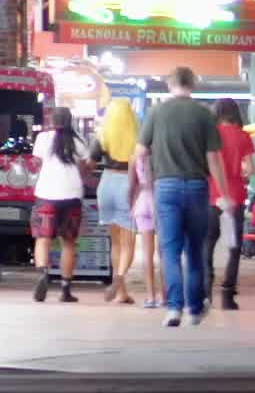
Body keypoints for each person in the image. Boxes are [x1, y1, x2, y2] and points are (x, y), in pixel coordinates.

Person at [136, 67, 235, 326]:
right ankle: (194, 309)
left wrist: (146, 181)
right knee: (194, 251)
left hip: (165, 187)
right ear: (193, 84)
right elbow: (213, 158)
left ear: (169, 85)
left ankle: (173, 309)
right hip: (196, 187)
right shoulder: (204, 114)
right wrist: (224, 194)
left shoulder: (156, 112)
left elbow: (140, 152)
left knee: (169, 251)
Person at [30, 108, 89, 304]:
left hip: (47, 194)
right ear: (70, 121)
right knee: (68, 243)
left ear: (51, 120)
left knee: (43, 238)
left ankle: (43, 273)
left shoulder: (43, 138)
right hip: (72, 195)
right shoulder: (79, 141)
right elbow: (84, 168)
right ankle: (65, 289)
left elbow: (36, 163)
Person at [203, 99, 254, 311]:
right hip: (235, 197)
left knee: (208, 243)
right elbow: (250, 169)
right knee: (233, 246)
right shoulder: (243, 136)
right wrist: (238, 172)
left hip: (211, 195)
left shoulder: (210, 133)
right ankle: (227, 295)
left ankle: (205, 291)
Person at [92, 98, 140, 305]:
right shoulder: (138, 136)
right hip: (127, 184)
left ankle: (121, 293)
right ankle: (119, 279)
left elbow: (91, 160)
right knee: (129, 243)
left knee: (116, 243)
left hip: (106, 184)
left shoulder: (102, 135)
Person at [128, 147, 162, 308]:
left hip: (142, 203)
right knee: (164, 254)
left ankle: (150, 297)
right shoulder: (161, 154)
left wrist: (131, 206)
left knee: (147, 254)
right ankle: (165, 296)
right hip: (160, 203)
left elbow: (131, 186)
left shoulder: (134, 157)